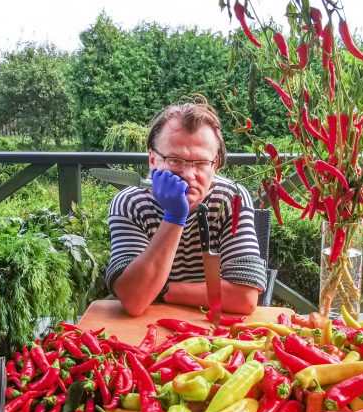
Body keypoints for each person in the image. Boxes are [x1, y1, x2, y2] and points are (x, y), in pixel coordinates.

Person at [106, 97, 266, 317]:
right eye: (174, 160)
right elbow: (134, 300)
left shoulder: (231, 198)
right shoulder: (130, 203)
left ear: (215, 164)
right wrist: (174, 217)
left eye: (201, 163)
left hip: (212, 328)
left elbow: (245, 297)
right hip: (145, 328)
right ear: (152, 160)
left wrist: (164, 290)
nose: (189, 175)